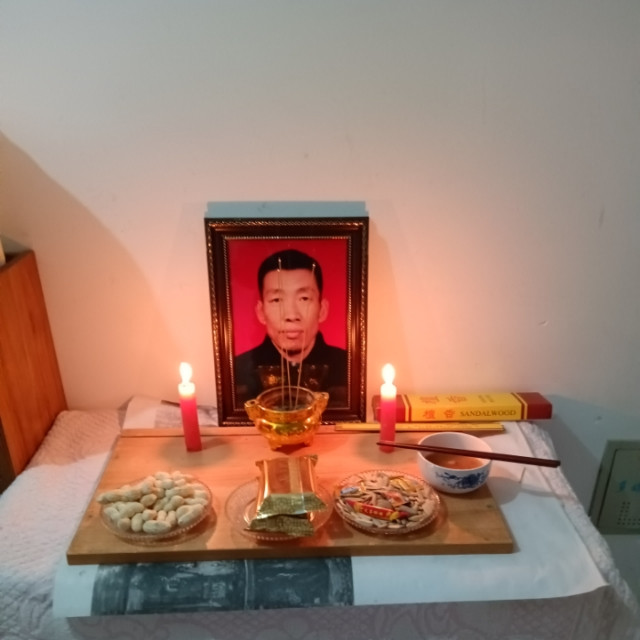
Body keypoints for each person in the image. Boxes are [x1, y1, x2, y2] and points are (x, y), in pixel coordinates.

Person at [234, 248, 348, 406]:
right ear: (261, 312)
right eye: (277, 300)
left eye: (304, 298)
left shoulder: (347, 366)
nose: (291, 315)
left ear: (322, 310)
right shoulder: (238, 370)